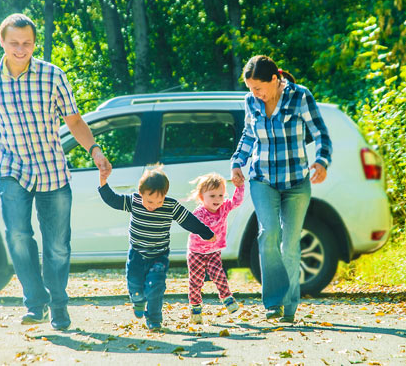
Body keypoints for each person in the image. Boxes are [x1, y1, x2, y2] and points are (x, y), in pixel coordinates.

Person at [0, 13, 111, 330]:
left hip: (51, 168)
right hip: (11, 165)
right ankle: (36, 303)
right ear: (3, 43)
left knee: (57, 245)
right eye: (14, 43)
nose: (21, 49)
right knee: (19, 236)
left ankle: (59, 305)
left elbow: (73, 120)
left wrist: (95, 150)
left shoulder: (53, 76)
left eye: (27, 43)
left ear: (34, 43)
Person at [230, 55, 332, 324]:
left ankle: (289, 306)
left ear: (274, 80)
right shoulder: (250, 101)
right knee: (269, 234)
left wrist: (321, 160)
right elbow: (249, 134)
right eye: (250, 89)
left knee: (290, 243)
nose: (254, 94)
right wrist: (237, 162)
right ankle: (273, 302)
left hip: (296, 183)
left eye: (258, 88)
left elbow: (320, 133)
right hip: (262, 179)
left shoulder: (300, 97)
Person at [97, 166, 215, 332]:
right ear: (141, 193)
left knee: (156, 285)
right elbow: (113, 200)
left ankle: (154, 319)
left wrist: (206, 233)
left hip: (159, 255)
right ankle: (137, 299)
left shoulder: (170, 206)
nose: (154, 205)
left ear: (165, 196)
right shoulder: (134, 201)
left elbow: (188, 220)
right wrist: (103, 183)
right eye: (150, 201)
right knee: (134, 282)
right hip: (137, 253)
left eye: (159, 201)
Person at [186, 172, 244, 324]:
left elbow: (237, 202)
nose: (217, 199)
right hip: (196, 252)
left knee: (219, 275)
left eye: (220, 195)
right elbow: (196, 228)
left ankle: (227, 299)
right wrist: (207, 234)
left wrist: (239, 187)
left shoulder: (223, 208)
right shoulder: (199, 213)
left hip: (213, 251)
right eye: (212, 196)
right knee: (196, 281)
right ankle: (195, 307)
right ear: (201, 197)